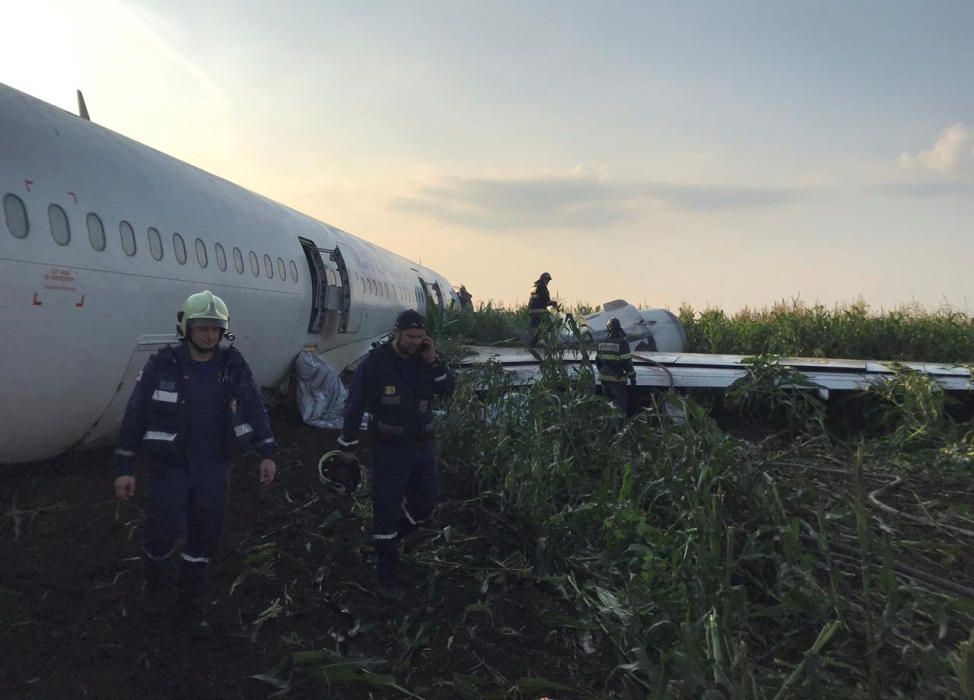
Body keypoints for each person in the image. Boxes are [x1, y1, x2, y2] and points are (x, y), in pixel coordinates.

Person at [113, 290, 277, 636]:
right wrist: (124, 467)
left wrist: (268, 453)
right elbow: (136, 413)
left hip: (214, 467)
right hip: (170, 467)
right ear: (186, 327)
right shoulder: (163, 364)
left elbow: (253, 406)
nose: (210, 336)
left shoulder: (232, 365)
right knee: (160, 533)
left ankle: (190, 608)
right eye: (203, 328)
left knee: (204, 537)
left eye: (216, 329)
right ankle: (156, 591)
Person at [337, 309, 455, 598]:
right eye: (410, 337)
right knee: (386, 509)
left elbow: (448, 390)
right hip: (390, 448)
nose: (416, 342)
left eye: (420, 337)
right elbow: (355, 405)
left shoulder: (425, 360)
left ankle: (388, 544)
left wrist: (433, 361)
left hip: (423, 446)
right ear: (396, 333)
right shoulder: (376, 364)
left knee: (425, 504)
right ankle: (385, 577)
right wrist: (347, 445)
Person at [595, 317, 637, 418]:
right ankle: (618, 428)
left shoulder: (602, 342)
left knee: (607, 405)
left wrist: (603, 372)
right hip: (617, 380)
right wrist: (632, 377)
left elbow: (598, 361)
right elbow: (627, 363)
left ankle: (607, 428)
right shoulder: (622, 343)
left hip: (604, 379)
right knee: (619, 406)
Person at [528, 272, 558, 347]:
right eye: (547, 280)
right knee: (550, 325)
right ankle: (545, 341)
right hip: (540, 310)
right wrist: (553, 303)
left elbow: (535, 299)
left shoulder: (534, 286)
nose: (547, 282)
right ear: (543, 279)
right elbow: (545, 300)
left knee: (535, 327)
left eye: (548, 280)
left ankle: (532, 343)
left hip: (532, 310)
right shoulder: (542, 287)